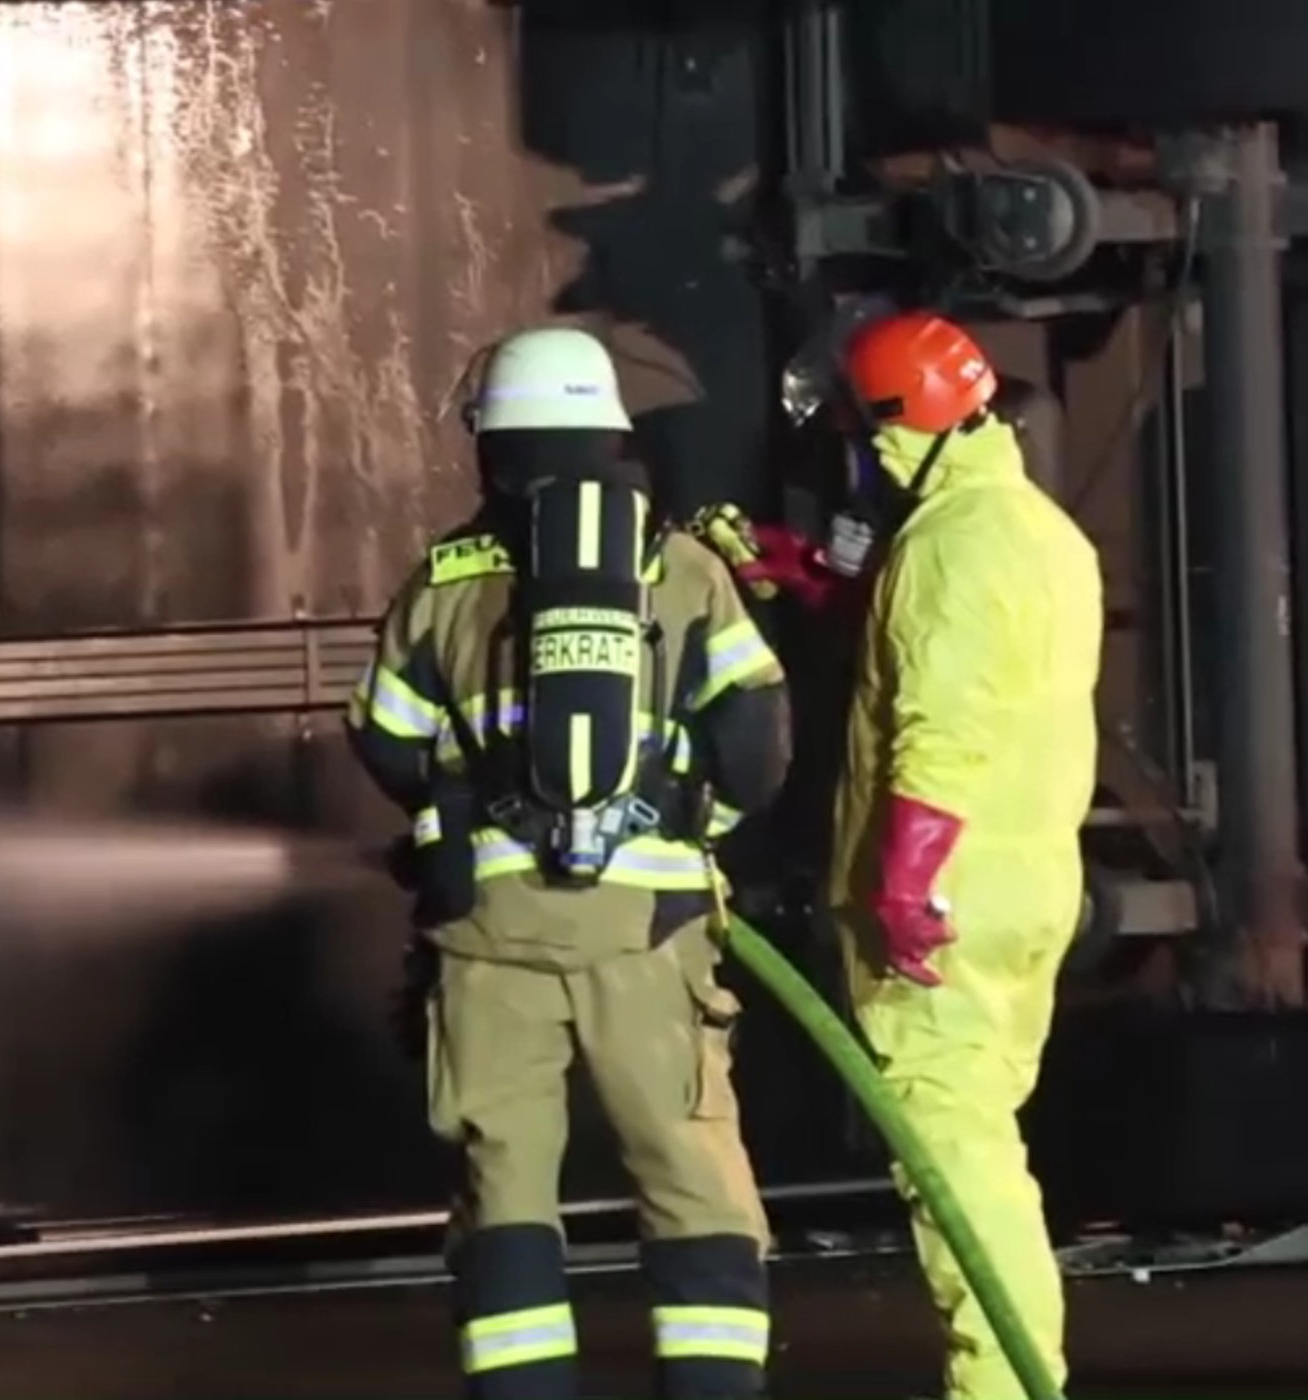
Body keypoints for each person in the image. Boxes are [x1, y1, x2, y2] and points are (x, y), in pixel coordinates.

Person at [345, 326, 791, 1400]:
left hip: (487, 933)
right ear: (610, 435)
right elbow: (757, 745)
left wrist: (459, 817)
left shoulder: (444, 579)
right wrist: (688, 828)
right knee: (690, 1177)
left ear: (491, 445)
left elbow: (387, 739)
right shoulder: (681, 567)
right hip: (648, 935)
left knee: (504, 1190)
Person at [740, 311, 1103, 1400]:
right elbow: (947, 641)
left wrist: (902, 885)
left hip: (944, 904)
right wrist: (813, 578)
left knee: (955, 1165)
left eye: (857, 434)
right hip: (1022, 888)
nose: (851, 455)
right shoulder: (1035, 530)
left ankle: (1002, 1384)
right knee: (980, 1142)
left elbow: (937, 724)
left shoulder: (948, 545)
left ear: (894, 431)